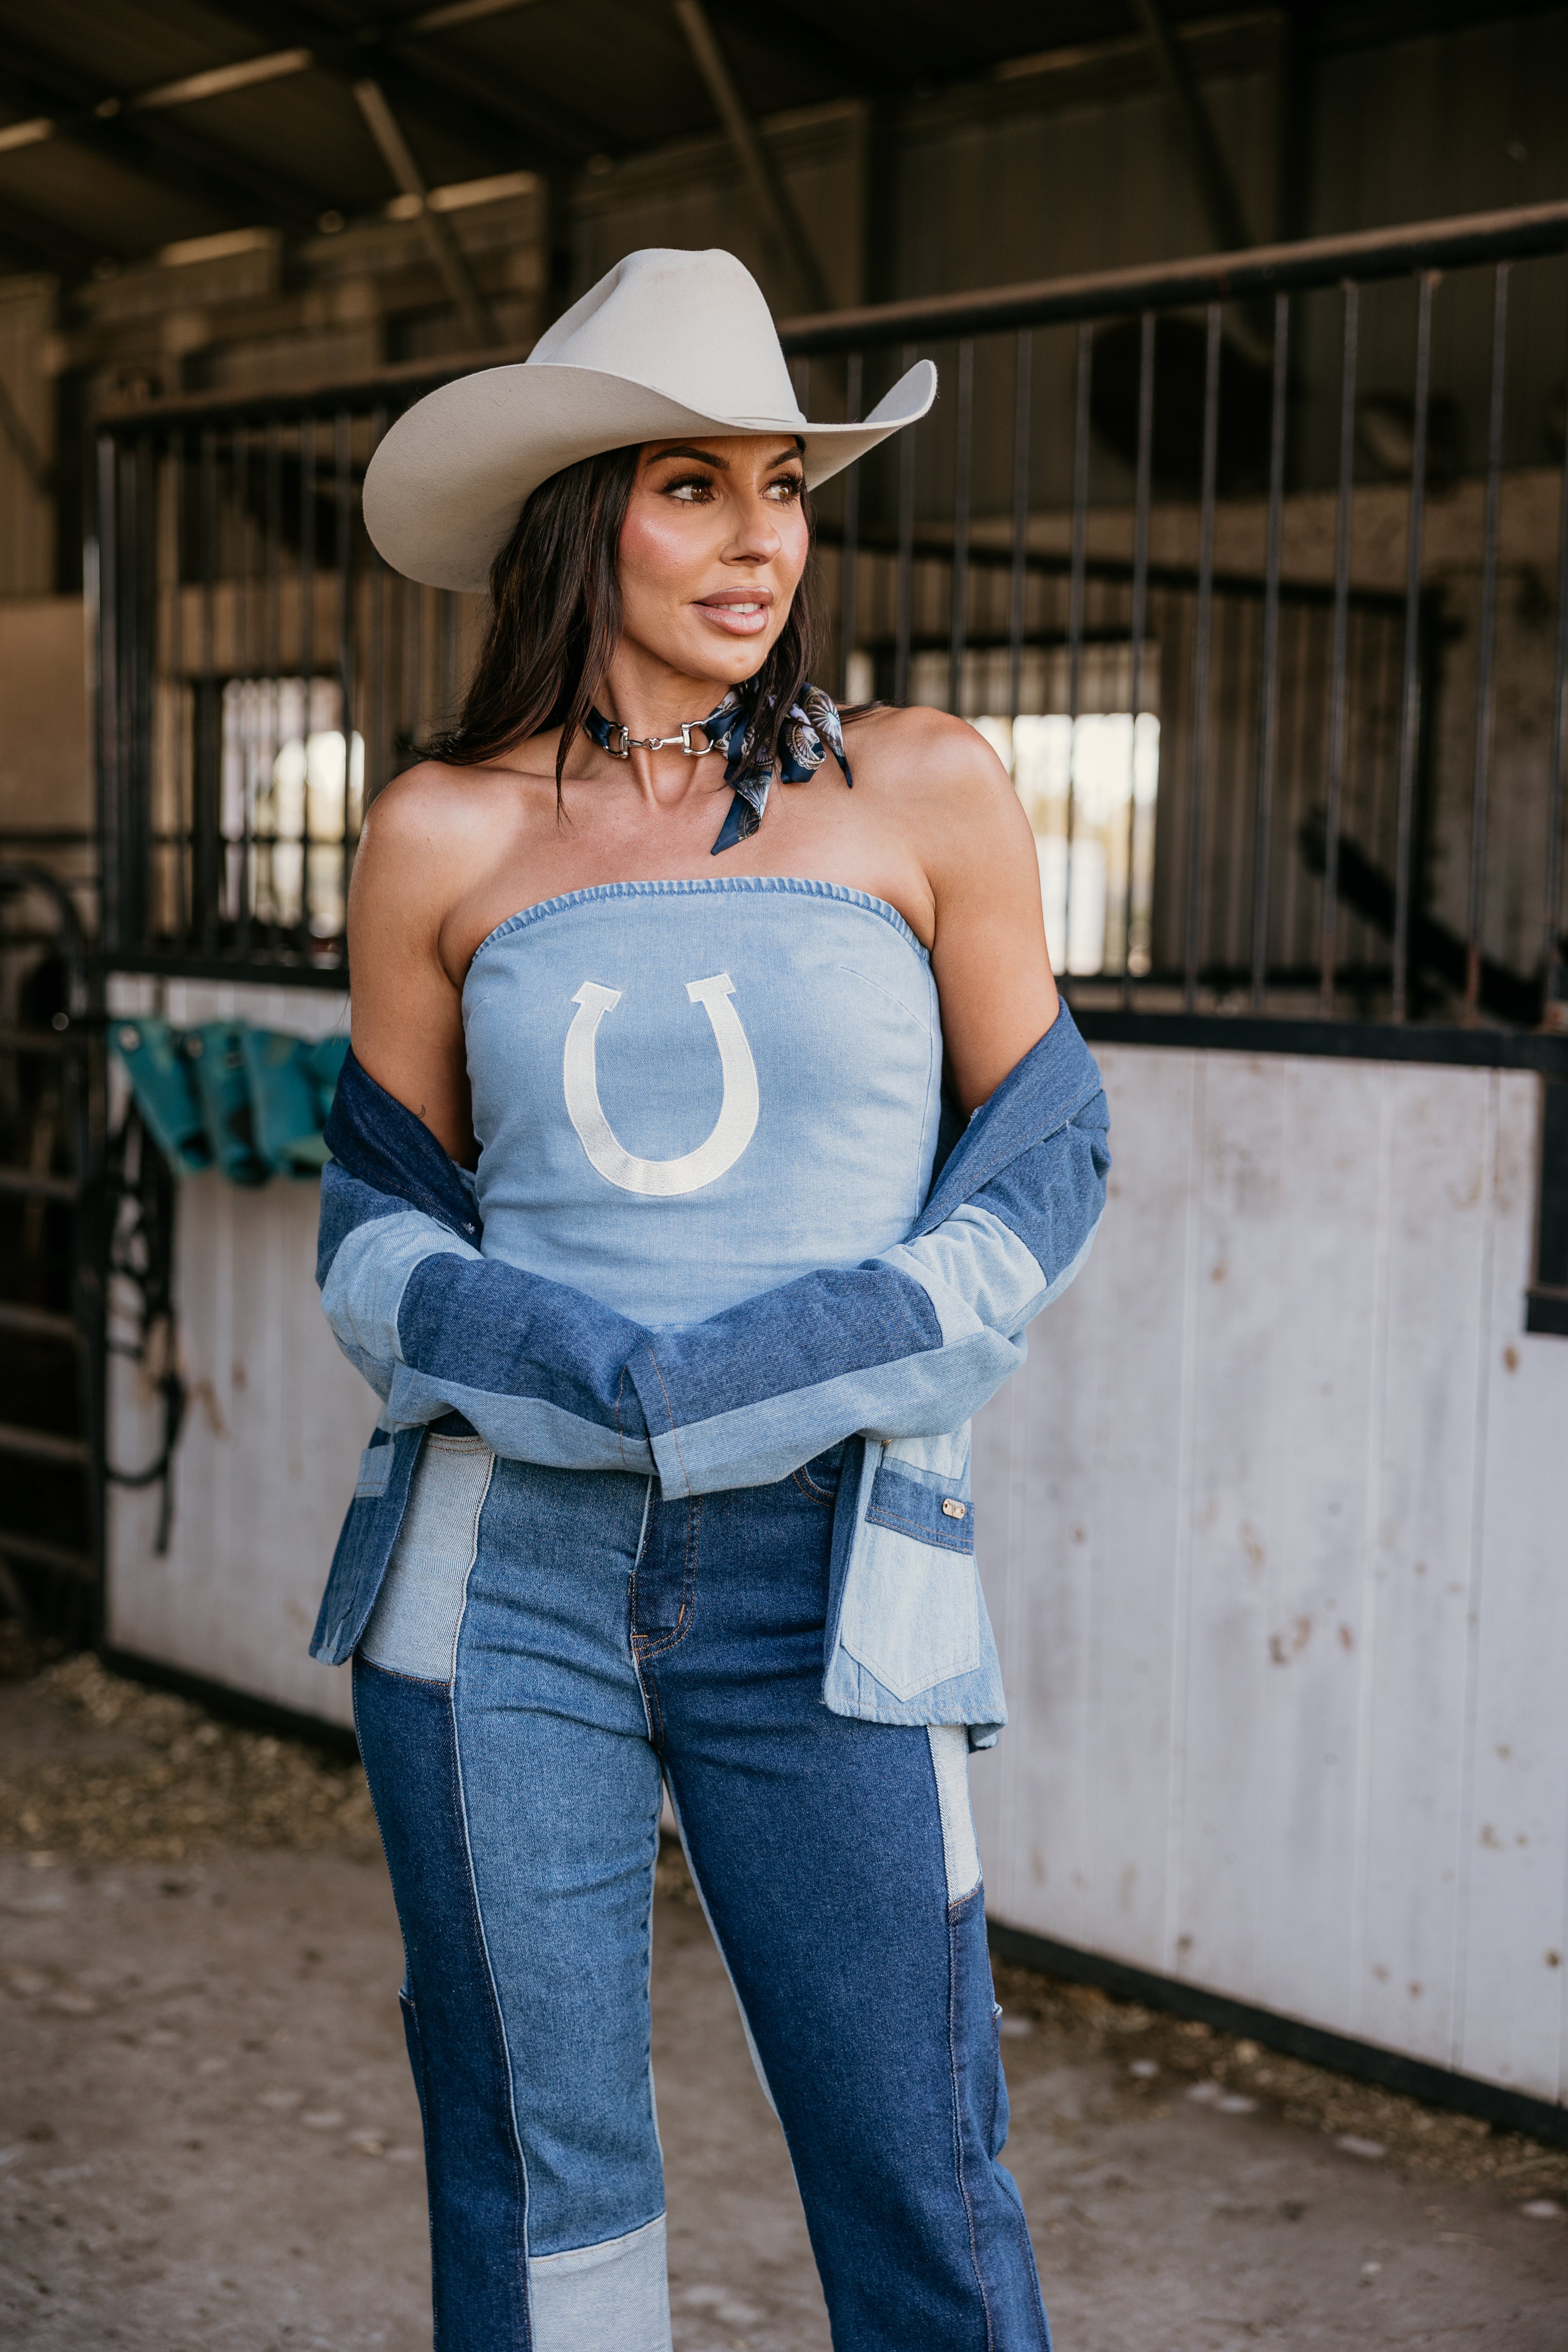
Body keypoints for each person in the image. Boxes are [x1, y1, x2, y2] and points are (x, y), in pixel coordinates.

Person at [314, 246, 1109, 2352]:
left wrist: (735, 1384)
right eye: (692, 482)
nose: (762, 533)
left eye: (786, 482)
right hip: (504, 1582)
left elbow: (1043, 1176)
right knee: (533, 2171)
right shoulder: (440, 828)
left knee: (919, 2163)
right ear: (586, 514)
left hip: (843, 1575)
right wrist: (594, 1378)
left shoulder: (922, 786)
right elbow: (376, 1241)